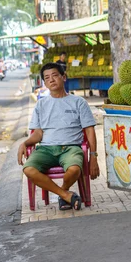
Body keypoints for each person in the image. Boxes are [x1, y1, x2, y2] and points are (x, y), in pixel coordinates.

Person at [18, 63, 100, 210]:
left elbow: (89, 131)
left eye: (55, 75)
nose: (51, 80)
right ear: (44, 82)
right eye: (47, 78)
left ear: (64, 77)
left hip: (70, 148)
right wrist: (24, 143)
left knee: (75, 169)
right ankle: (66, 195)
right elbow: (37, 134)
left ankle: (63, 193)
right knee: (28, 169)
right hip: (46, 149)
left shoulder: (78, 102)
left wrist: (93, 157)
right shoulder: (41, 105)